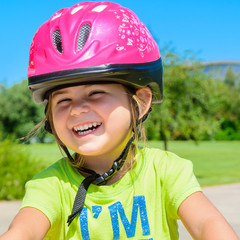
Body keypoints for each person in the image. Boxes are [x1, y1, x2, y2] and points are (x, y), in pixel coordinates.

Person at [1, 1, 239, 239]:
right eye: (63, 101)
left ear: (142, 102)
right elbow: (24, 231)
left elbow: (207, 223)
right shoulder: (50, 185)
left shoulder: (165, 171)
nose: (77, 110)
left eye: (96, 93)